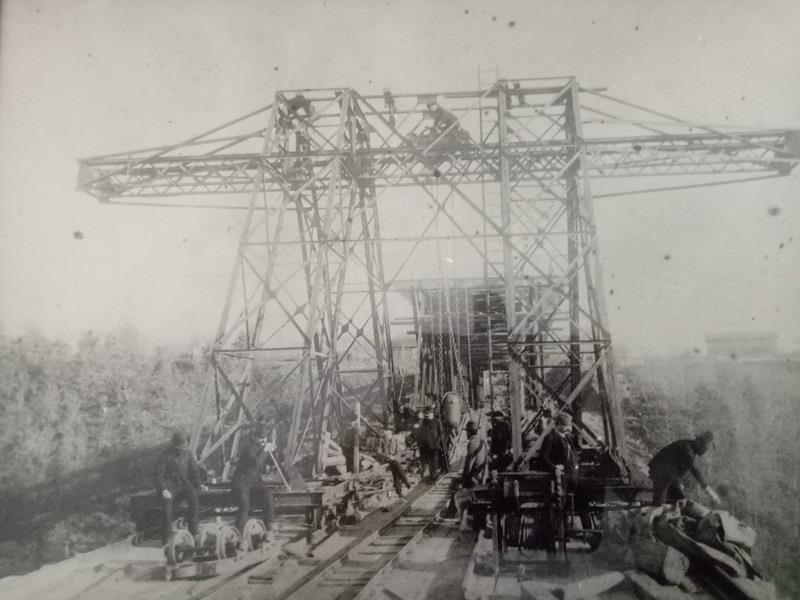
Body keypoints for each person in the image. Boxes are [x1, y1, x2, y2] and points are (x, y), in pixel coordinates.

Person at [648, 431, 720, 506]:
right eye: (706, 447)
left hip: (670, 475)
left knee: (682, 500)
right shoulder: (687, 448)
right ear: (699, 442)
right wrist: (708, 490)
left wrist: (678, 482)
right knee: (659, 505)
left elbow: (678, 467)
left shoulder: (690, 449)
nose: (705, 451)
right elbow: (694, 470)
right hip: (661, 473)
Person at [155, 431, 201, 545]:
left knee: (194, 501)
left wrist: (199, 484)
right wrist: (163, 489)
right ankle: (167, 538)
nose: (181, 449)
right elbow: (158, 474)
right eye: (179, 447)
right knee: (167, 508)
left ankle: (194, 532)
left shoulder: (188, 454)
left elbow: (194, 471)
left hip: (184, 483)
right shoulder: (165, 455)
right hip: (170, 485)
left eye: (183, 447)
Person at [231, 424, 275, 536]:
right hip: (241, 481)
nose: (262, 440)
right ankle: (239, 533)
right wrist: (265, 450)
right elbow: (256, 462)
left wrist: (273, 451)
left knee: (267, 494)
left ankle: (270, 524)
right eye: (260, 437)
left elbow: (272, 463)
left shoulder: (261, 448)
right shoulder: (248, 448)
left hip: (254, 481)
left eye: (264, 438)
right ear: (254, 437)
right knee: (244, 504)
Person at [540, 413, 579, 486]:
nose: (569, 429)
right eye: (566, 426)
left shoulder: (567, 437)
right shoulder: (550, 437)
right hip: (560, 474)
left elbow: (572, 452)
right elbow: (544, 456)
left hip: (571, 473)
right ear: (559, 424)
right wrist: (554, 468)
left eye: (569, 426)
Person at [374, 429, 412, 498]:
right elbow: (378, 452)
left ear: (391, 435)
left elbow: (398, 452)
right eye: (386, 436)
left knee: (395, 470)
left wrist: (394, 457)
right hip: (385, 459)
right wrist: (387, 456)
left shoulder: (395, 440)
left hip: (394, 459)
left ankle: (399, 491)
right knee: (396, 466)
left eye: (388, 436)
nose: (387, 437)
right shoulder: (381, 440)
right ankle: (405, 480)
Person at [417, 410, 440, 480]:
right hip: (426, 445)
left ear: (432, 414)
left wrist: (437, 442)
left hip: (434, 445)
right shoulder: (424, 422)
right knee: (428, 461)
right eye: (426, 414)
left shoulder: (437, 422)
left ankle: (434, 476)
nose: (427, 415)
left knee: (434, 461)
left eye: (428, 414)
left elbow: (441, 433)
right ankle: (429, 475)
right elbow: (421, 433)